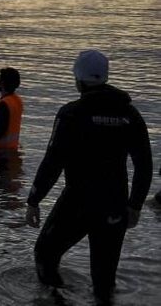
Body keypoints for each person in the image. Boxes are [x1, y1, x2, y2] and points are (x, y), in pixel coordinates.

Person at [25, 50, 152, 301]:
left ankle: (55, 299)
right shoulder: (130, 114)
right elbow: (144, 165)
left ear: (78, 79)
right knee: (104, 282)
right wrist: (135, 205)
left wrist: (34, 200)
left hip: (78, 202)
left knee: (45, 255)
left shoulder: (72, 113)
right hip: (114, 204)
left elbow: (53, 161)